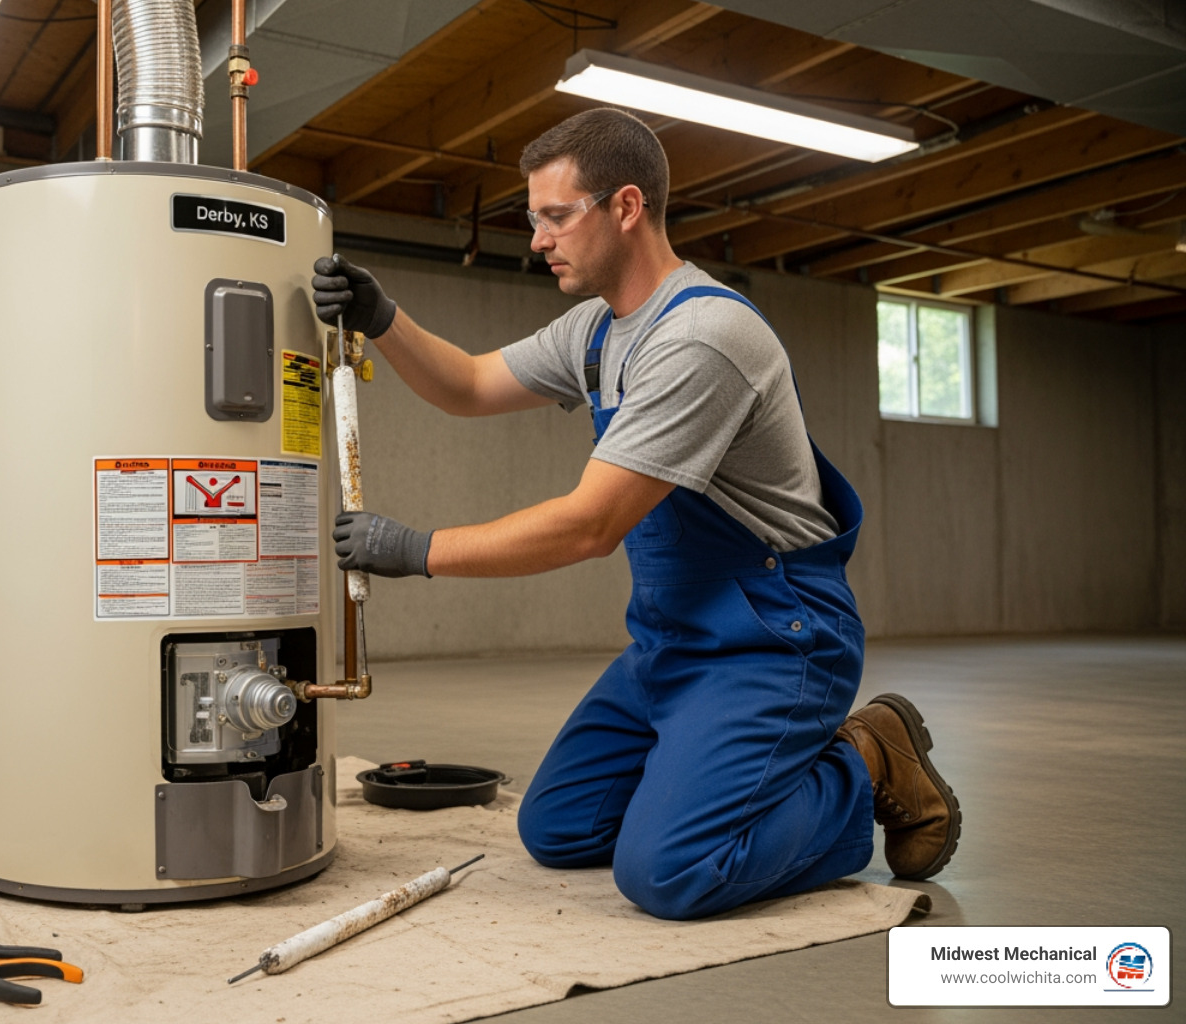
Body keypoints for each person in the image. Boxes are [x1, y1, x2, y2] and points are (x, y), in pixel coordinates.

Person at [314, 107, 961, 920]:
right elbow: (472, 385)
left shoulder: (702, 337)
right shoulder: (596, 330)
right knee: (557, 827)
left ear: (625, 207)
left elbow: (591, 525)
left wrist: (418, 549)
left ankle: (863, 763)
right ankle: (718, 774)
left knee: (671, 872)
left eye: (555, 217)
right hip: (674, 639)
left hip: (773, 639)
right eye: (534, 219)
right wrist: (385, 320)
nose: (539, 239)